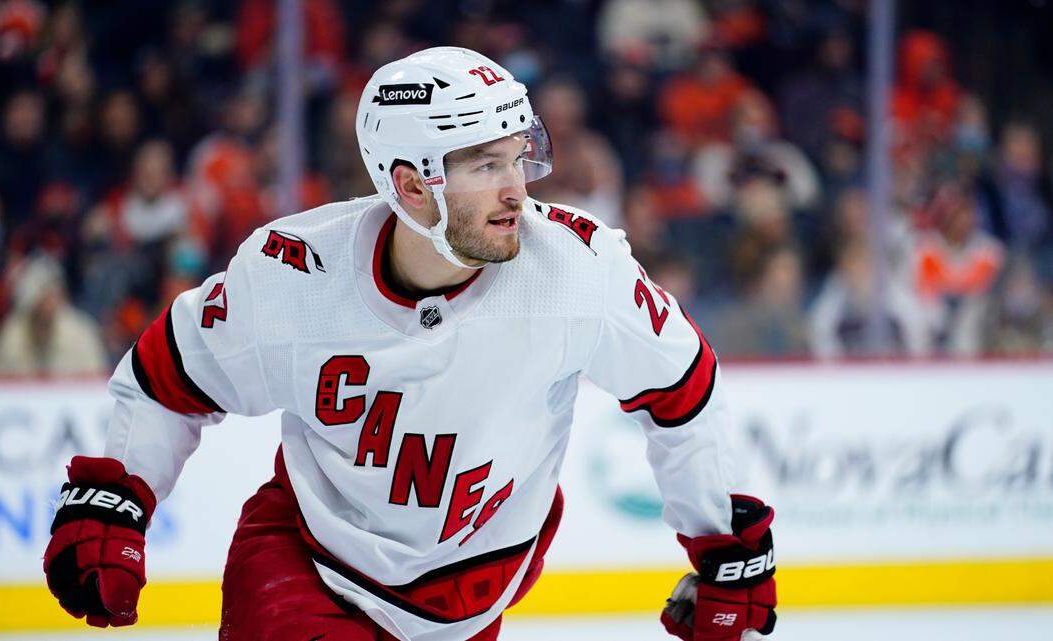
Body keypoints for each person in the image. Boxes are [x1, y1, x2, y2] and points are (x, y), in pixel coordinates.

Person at [41, 47, 777, 641]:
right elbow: (170, 377)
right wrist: (118, 493)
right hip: (311, 568)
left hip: (472, 599)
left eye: (519, 157)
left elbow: (684, 390)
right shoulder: (296, 274)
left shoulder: (578, 272)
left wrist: (725, 545)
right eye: (486, 165)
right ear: (411, 185)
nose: (517, 189)